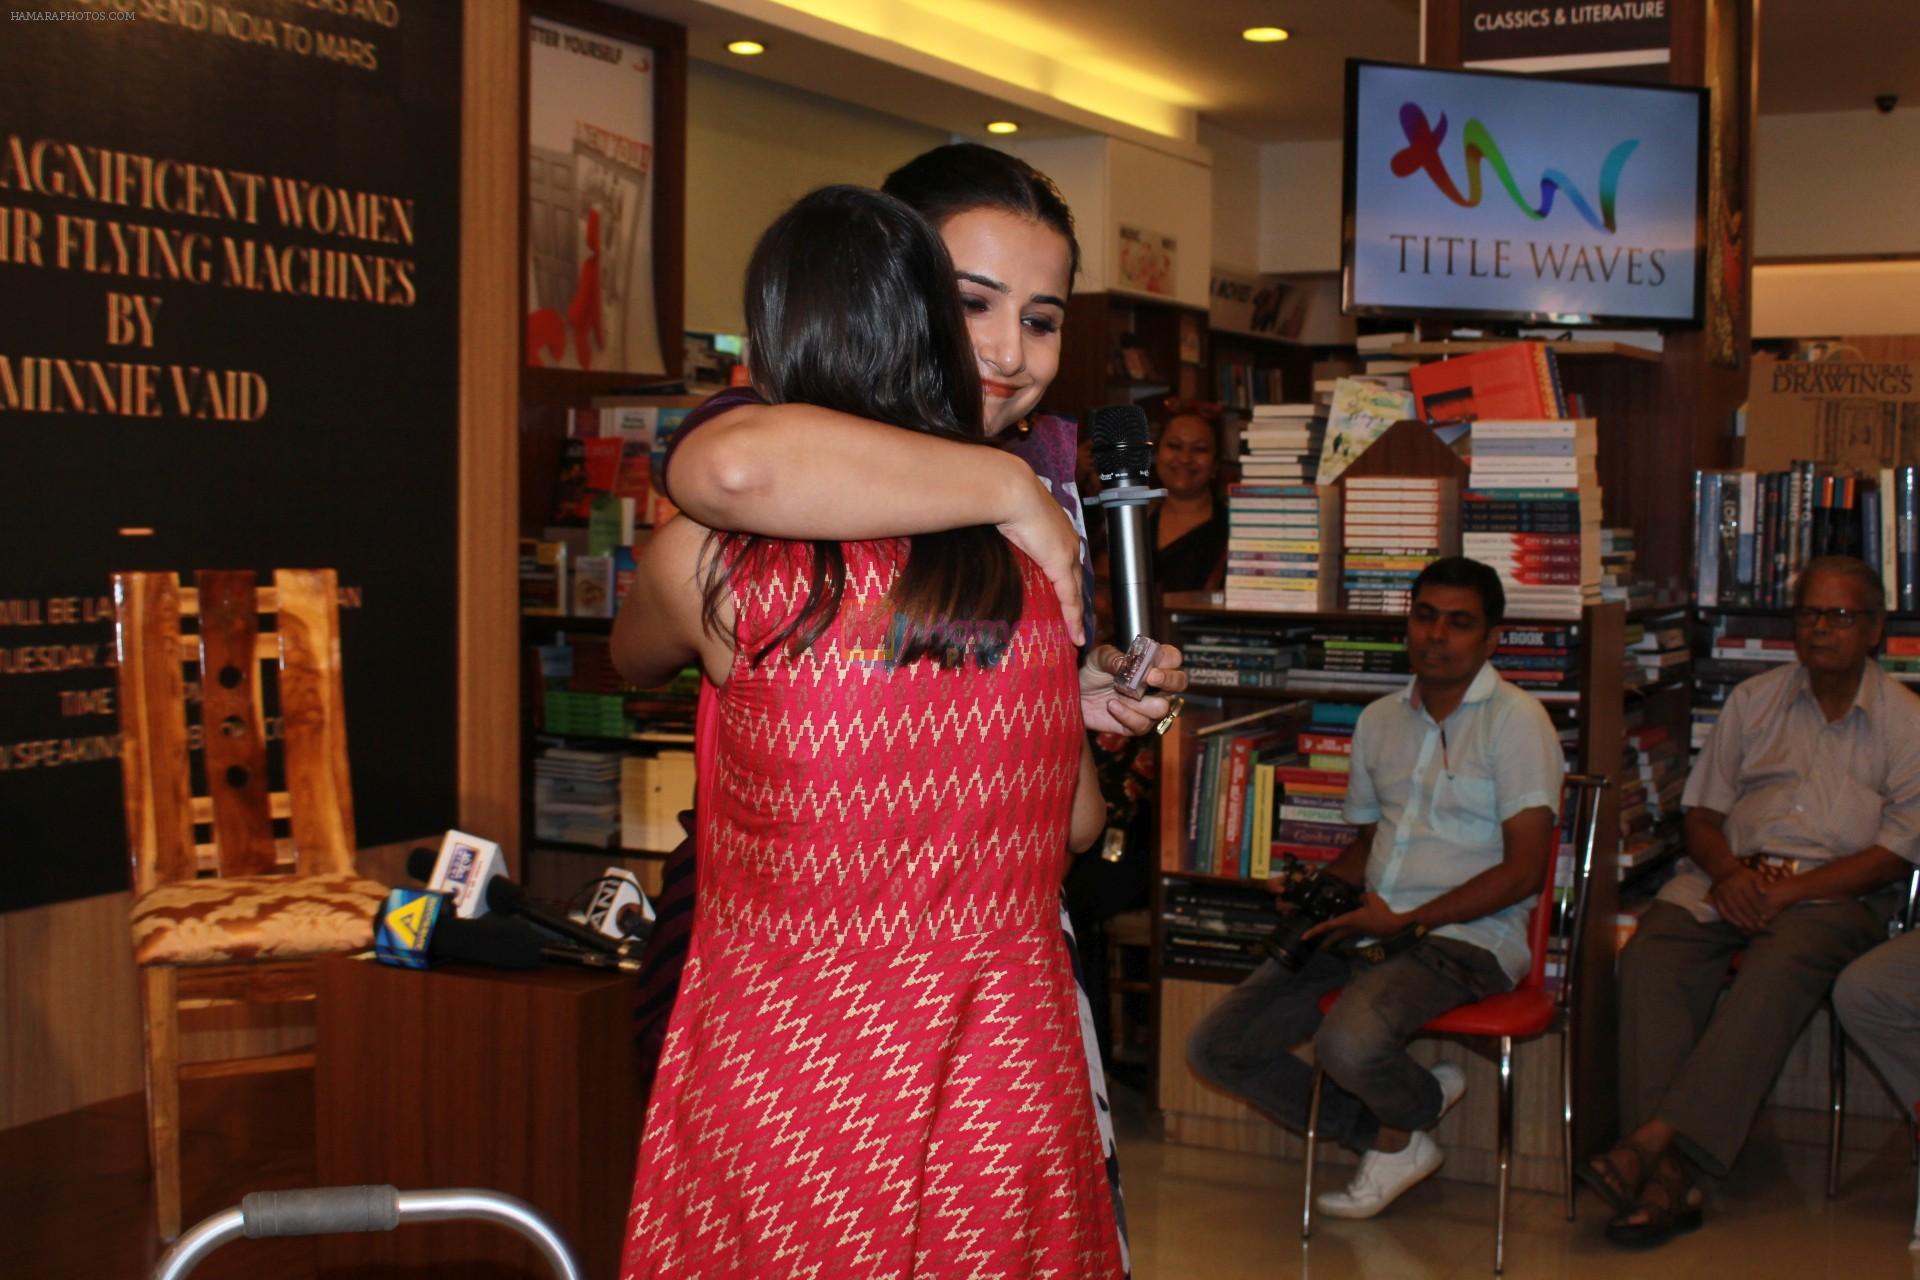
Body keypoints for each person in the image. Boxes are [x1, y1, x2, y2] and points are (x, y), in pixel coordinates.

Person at [647, 143, 1187, 1271]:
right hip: (909, 1024)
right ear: (894, 288)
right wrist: (1006, 493)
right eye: (973, 303)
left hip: (824, 1041)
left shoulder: (1017, 524)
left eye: (1043, 321)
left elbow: (647, 634)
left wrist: (1067, 706)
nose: (1007, 351)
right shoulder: (992, 519)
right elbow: (733, 471)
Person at [1186, 555, 1564, 1219]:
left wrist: (1410, 920)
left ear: (1491, 639)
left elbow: (1525, 871)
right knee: (1216, 1047)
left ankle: (1401, 1121)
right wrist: (1314, 890)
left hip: (1467, 938)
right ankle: (1396, 1128)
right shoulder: (1378, 721)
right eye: (1424, 616)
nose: (1436, 636)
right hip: (1371, 924)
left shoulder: (1518, 722)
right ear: (1407, 620)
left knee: (1346, 1044)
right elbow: (1365, 846)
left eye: (1458, 623)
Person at [1587, 555, 1920, 1248]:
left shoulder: (1905, 721)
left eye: (1840, 615)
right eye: (1808, 615)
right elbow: (1701, 814)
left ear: (1875, 629)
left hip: (1833, 897)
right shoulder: (1753, 700)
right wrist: (1731, 875)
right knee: (1651, 953)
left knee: (1778, 967)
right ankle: (1672, 1174)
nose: (1821, 629)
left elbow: (1896, 853)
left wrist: (1789, 892)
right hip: (1731, 880)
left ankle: (1653, 1143)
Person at [1151, 402, 1230, 593]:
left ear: (1216, 464)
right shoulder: (1130, 523)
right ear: (1155, 454)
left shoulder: (1233, 531)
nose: (1185, 458)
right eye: (1174, 446)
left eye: (1200, 449)